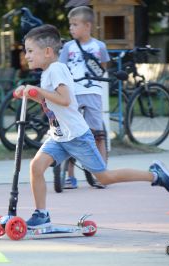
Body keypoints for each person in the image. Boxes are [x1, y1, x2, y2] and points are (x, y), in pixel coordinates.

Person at [14, 24, 169, 229]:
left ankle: (155, 175)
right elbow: (51, 102)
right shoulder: (47, 72)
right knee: (36, 167)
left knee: (104, 177)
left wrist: (36, 90)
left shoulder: (56, 69)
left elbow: (64, 100)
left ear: (47, 52)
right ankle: (41, 213)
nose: (26, 55)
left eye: (29, 51)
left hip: (77, 137)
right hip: (59, 136)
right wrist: (30, 94)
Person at [59, 6, 110, 189]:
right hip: (72, 94)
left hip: (93, 93)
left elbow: (102, 67)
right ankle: (70, 176)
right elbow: (61, 69)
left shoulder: (99, 46)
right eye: (70, 25)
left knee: (98, 134)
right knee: (72, 134)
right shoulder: (68, 47)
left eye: (75, 24)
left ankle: (102, 173)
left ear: (87, 26)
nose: (71, 28)